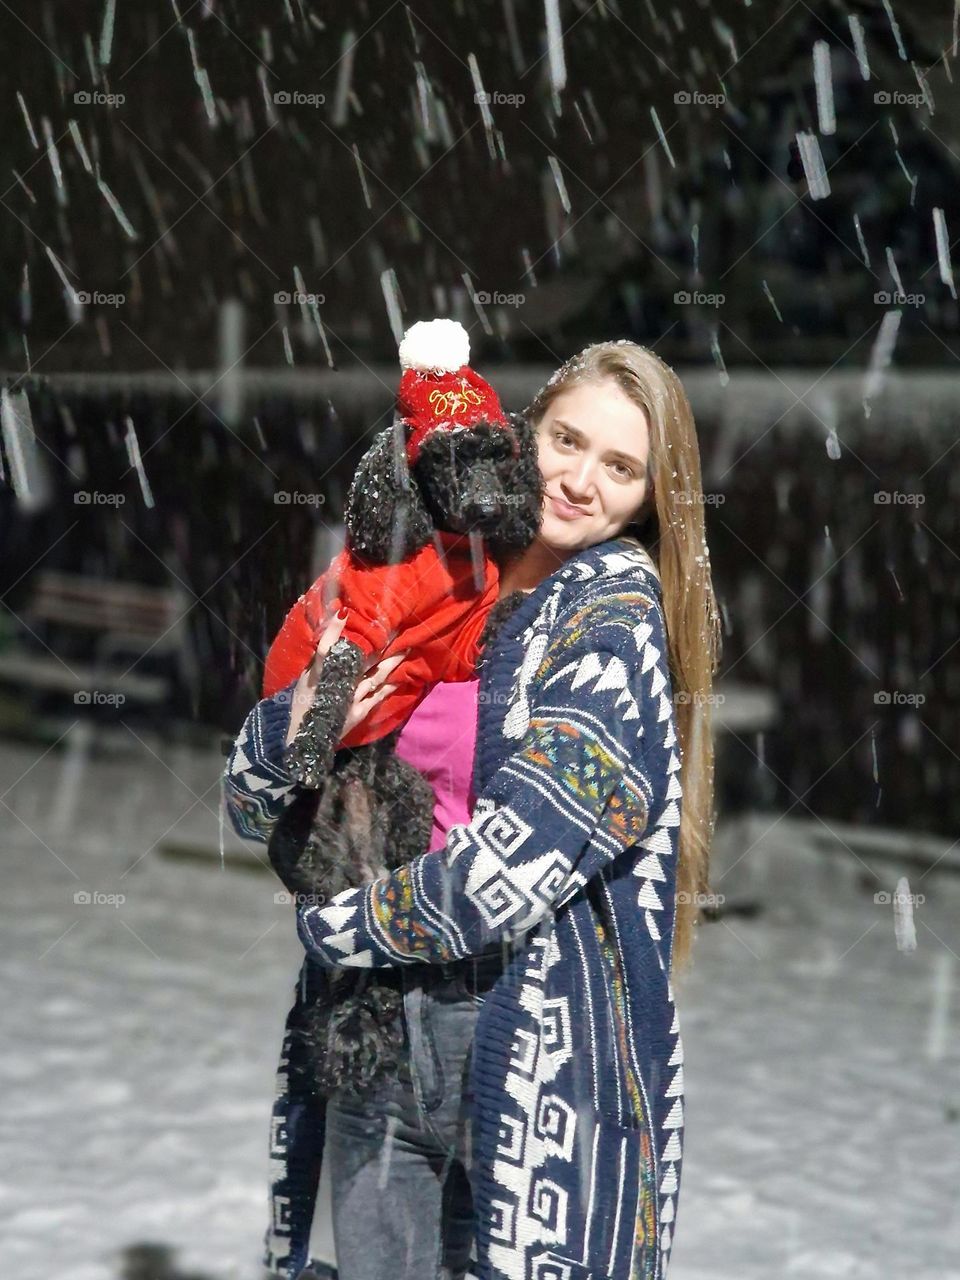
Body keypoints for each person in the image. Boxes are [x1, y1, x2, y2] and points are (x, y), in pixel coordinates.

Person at [224, 340, 721, 1280]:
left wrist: (345, 925)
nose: (579, 481)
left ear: (655, 496)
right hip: (373, 1027)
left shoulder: (609, 622)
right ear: (522, 431)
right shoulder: (424, 561)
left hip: (527, 1036)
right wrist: (295, 732)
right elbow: (252, 806)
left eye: (620, 467)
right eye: (565, 439)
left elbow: (521, 858)